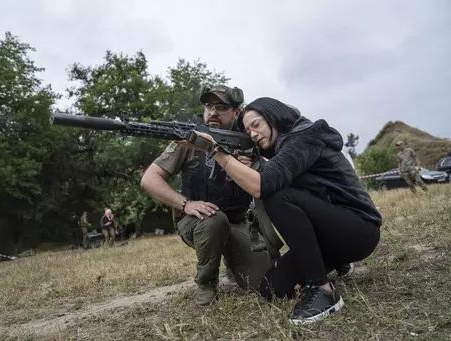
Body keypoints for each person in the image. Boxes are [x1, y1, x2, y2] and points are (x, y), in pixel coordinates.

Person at [182, 97, 382, 324]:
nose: (253, 134)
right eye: (248, 131)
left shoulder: (306, 136)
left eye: (256, 125)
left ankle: (323, 291)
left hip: (360, 230)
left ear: (274, 117)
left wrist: (216, 151)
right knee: (271, 289)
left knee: (275, 196)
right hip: (331, 238)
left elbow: (261, 187)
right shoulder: (282, 149)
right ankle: (336, 262)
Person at [141, 84, 271, 306]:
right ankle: (207, 283)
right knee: (213, 219)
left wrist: (253, 167)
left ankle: (233, 262)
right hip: (199, 221)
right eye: (208, 106)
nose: (212, 112)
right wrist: (186, 204)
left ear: (236, 113)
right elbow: (149, 180)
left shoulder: (250, 141)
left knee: (266, 283)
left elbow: (270, 181)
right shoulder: (189, 140)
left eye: (221, 107)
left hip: (239, 222)